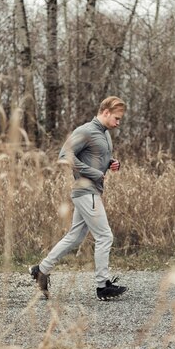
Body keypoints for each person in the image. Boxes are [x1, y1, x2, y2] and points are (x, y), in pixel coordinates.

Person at [30, 96, 128, 301]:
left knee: (74, 237)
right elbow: (64, 155)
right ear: (106, 112)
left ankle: (41, 270)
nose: (119, 122)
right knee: (105, 236)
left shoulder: (104, 134)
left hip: (93, 191)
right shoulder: (85, 131)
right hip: (86, 191)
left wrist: (111, 162)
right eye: (117, 118)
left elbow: (97, 156)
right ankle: (103, 286)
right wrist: (92, 172)